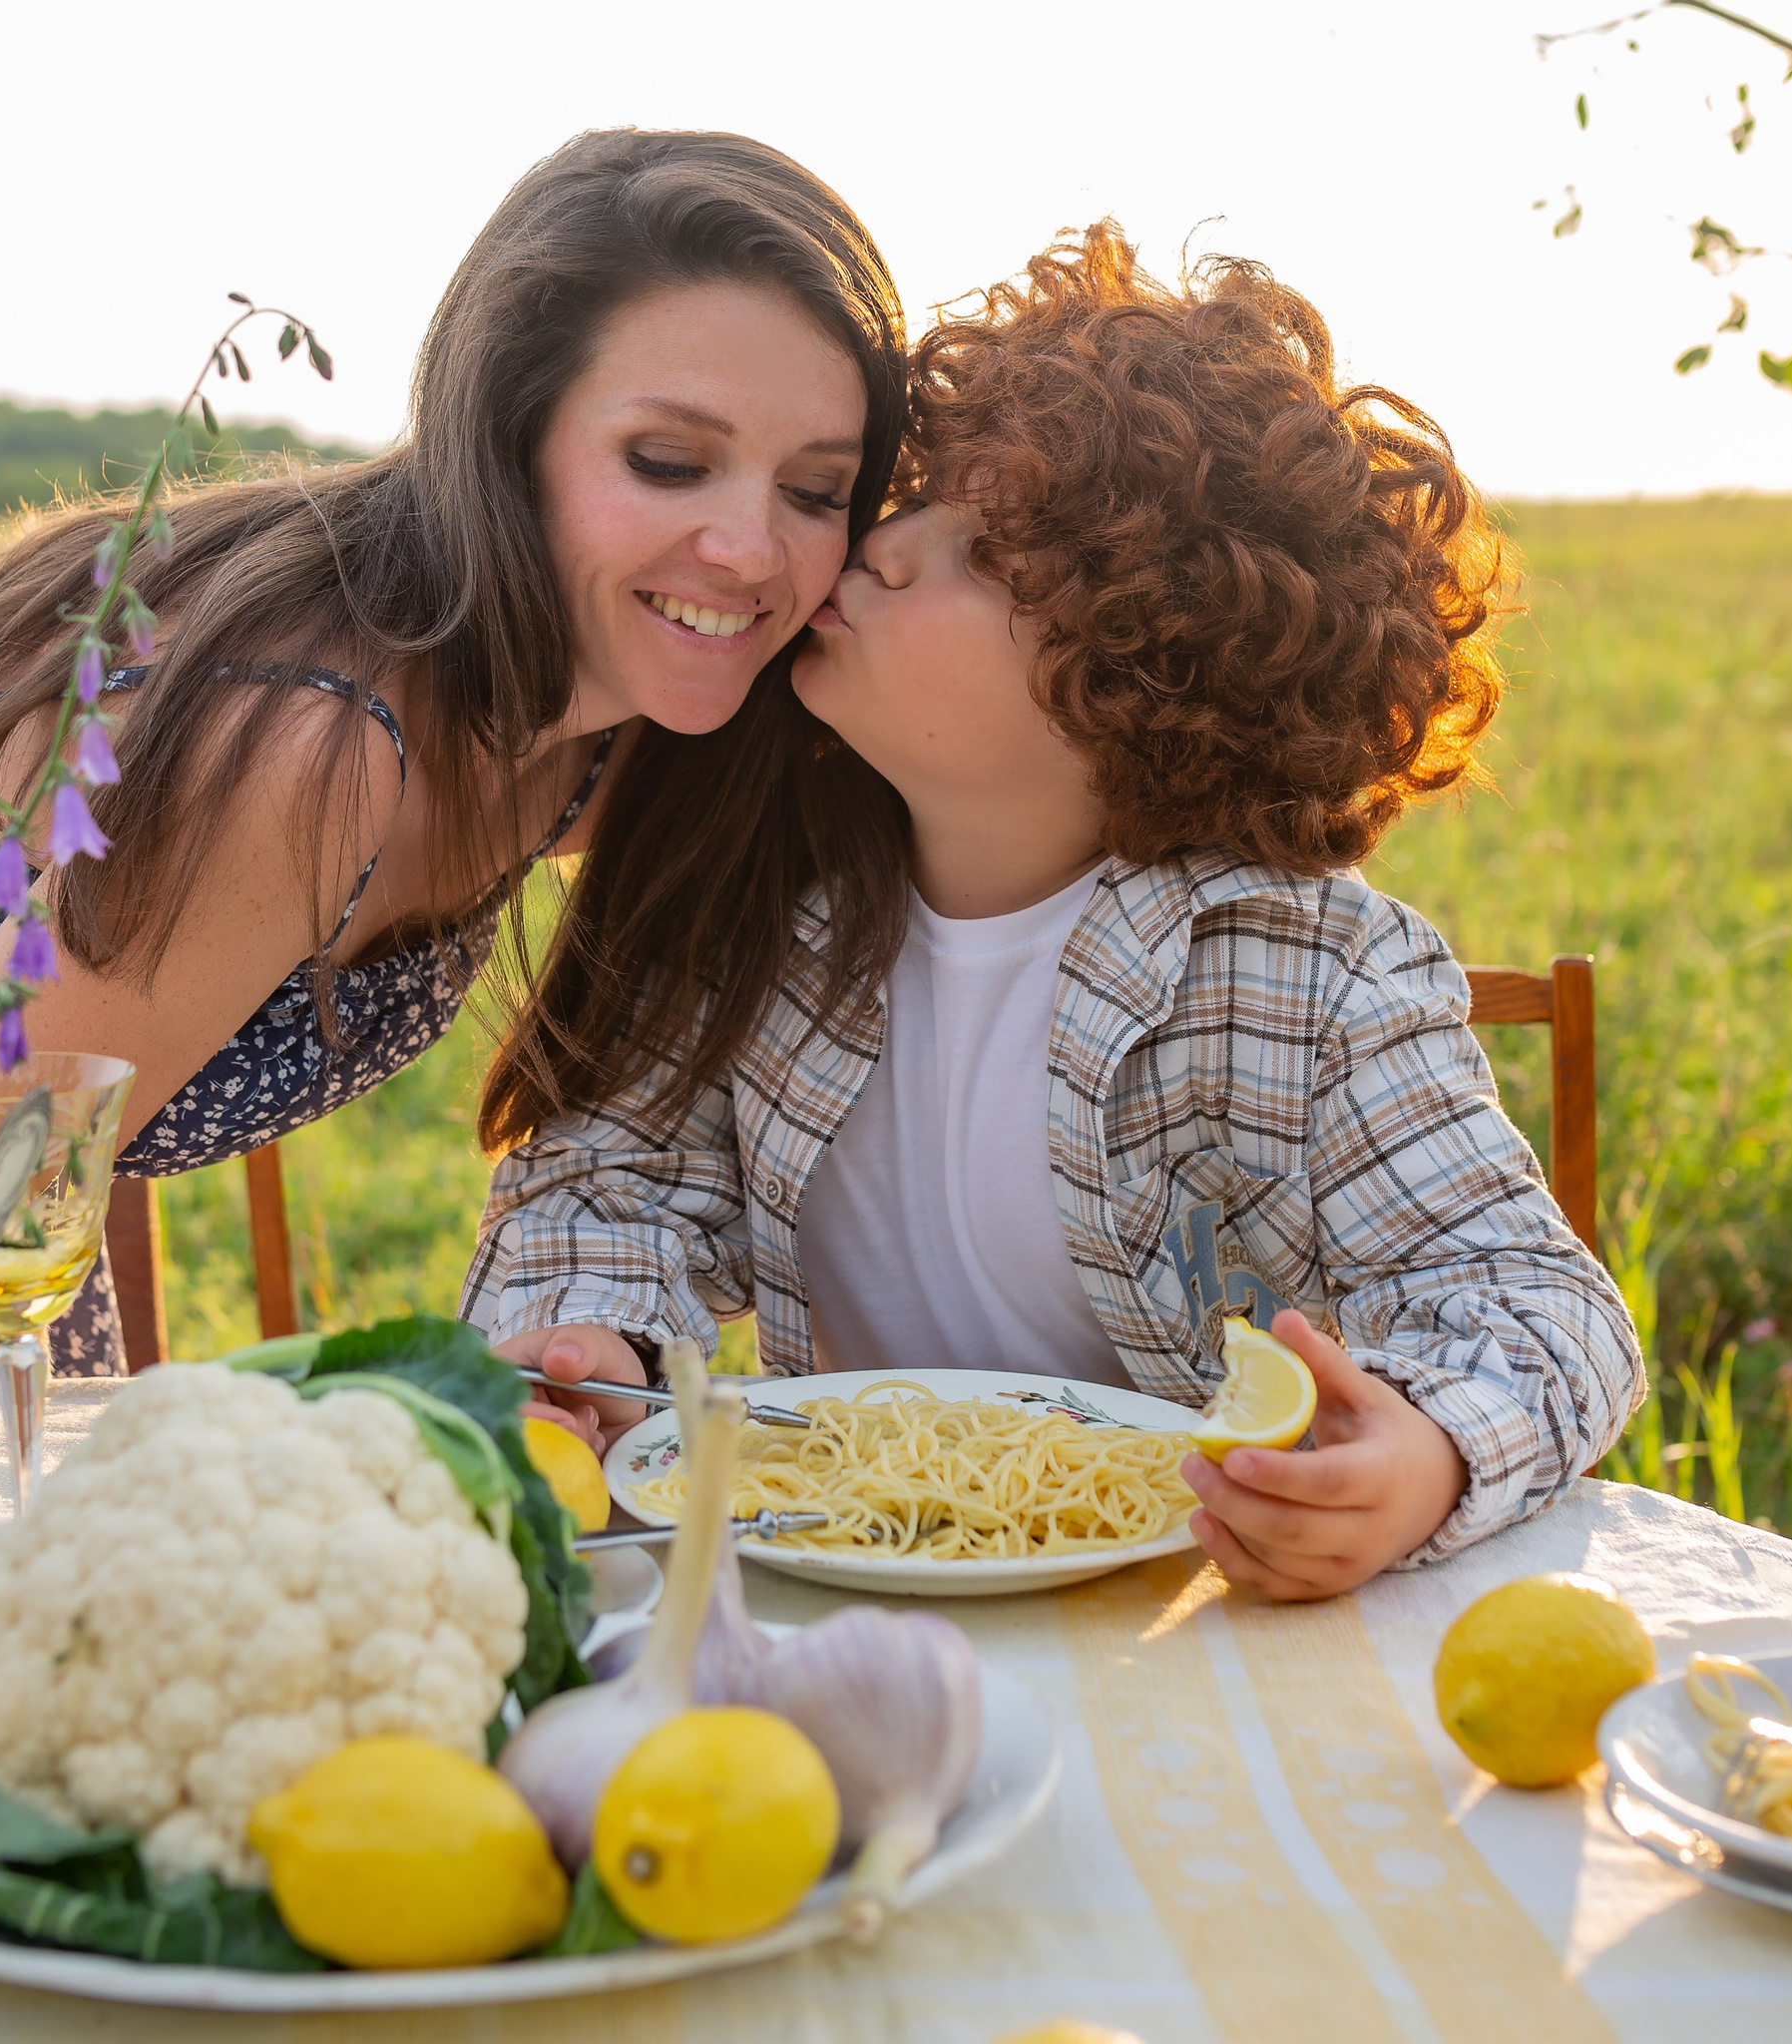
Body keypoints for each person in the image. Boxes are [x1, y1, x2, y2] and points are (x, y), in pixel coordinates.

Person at [0, 128, 909, 1392]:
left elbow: (76, 1100)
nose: (752, 549)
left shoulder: (609, 741)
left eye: (816, 491)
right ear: (508, 438)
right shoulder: (307, 748)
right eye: (670, 461)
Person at [464, 225, 1644, 1597]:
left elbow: (1533, 1303)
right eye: (919, 503)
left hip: (1174, 1610)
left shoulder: (1303, 973)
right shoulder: (769, 902)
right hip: (851, 1577)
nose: (885, 548)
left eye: (984, 559)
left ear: (1143, 680)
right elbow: (609, 1188)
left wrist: (1426, 1453)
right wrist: (586, 1343)